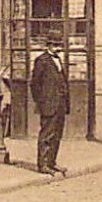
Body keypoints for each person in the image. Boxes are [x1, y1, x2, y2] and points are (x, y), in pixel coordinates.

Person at [30, 41, 68, 176]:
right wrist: (41, 100)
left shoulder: (59, 60)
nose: (59, 48)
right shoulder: (41, 61)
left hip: (60, 103)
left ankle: (52, 161)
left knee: (57, 134)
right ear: (49, 45)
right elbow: (34, 83)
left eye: (60, 45)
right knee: (46, 134)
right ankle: (43, 164)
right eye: (56, 45)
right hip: (48, 103)